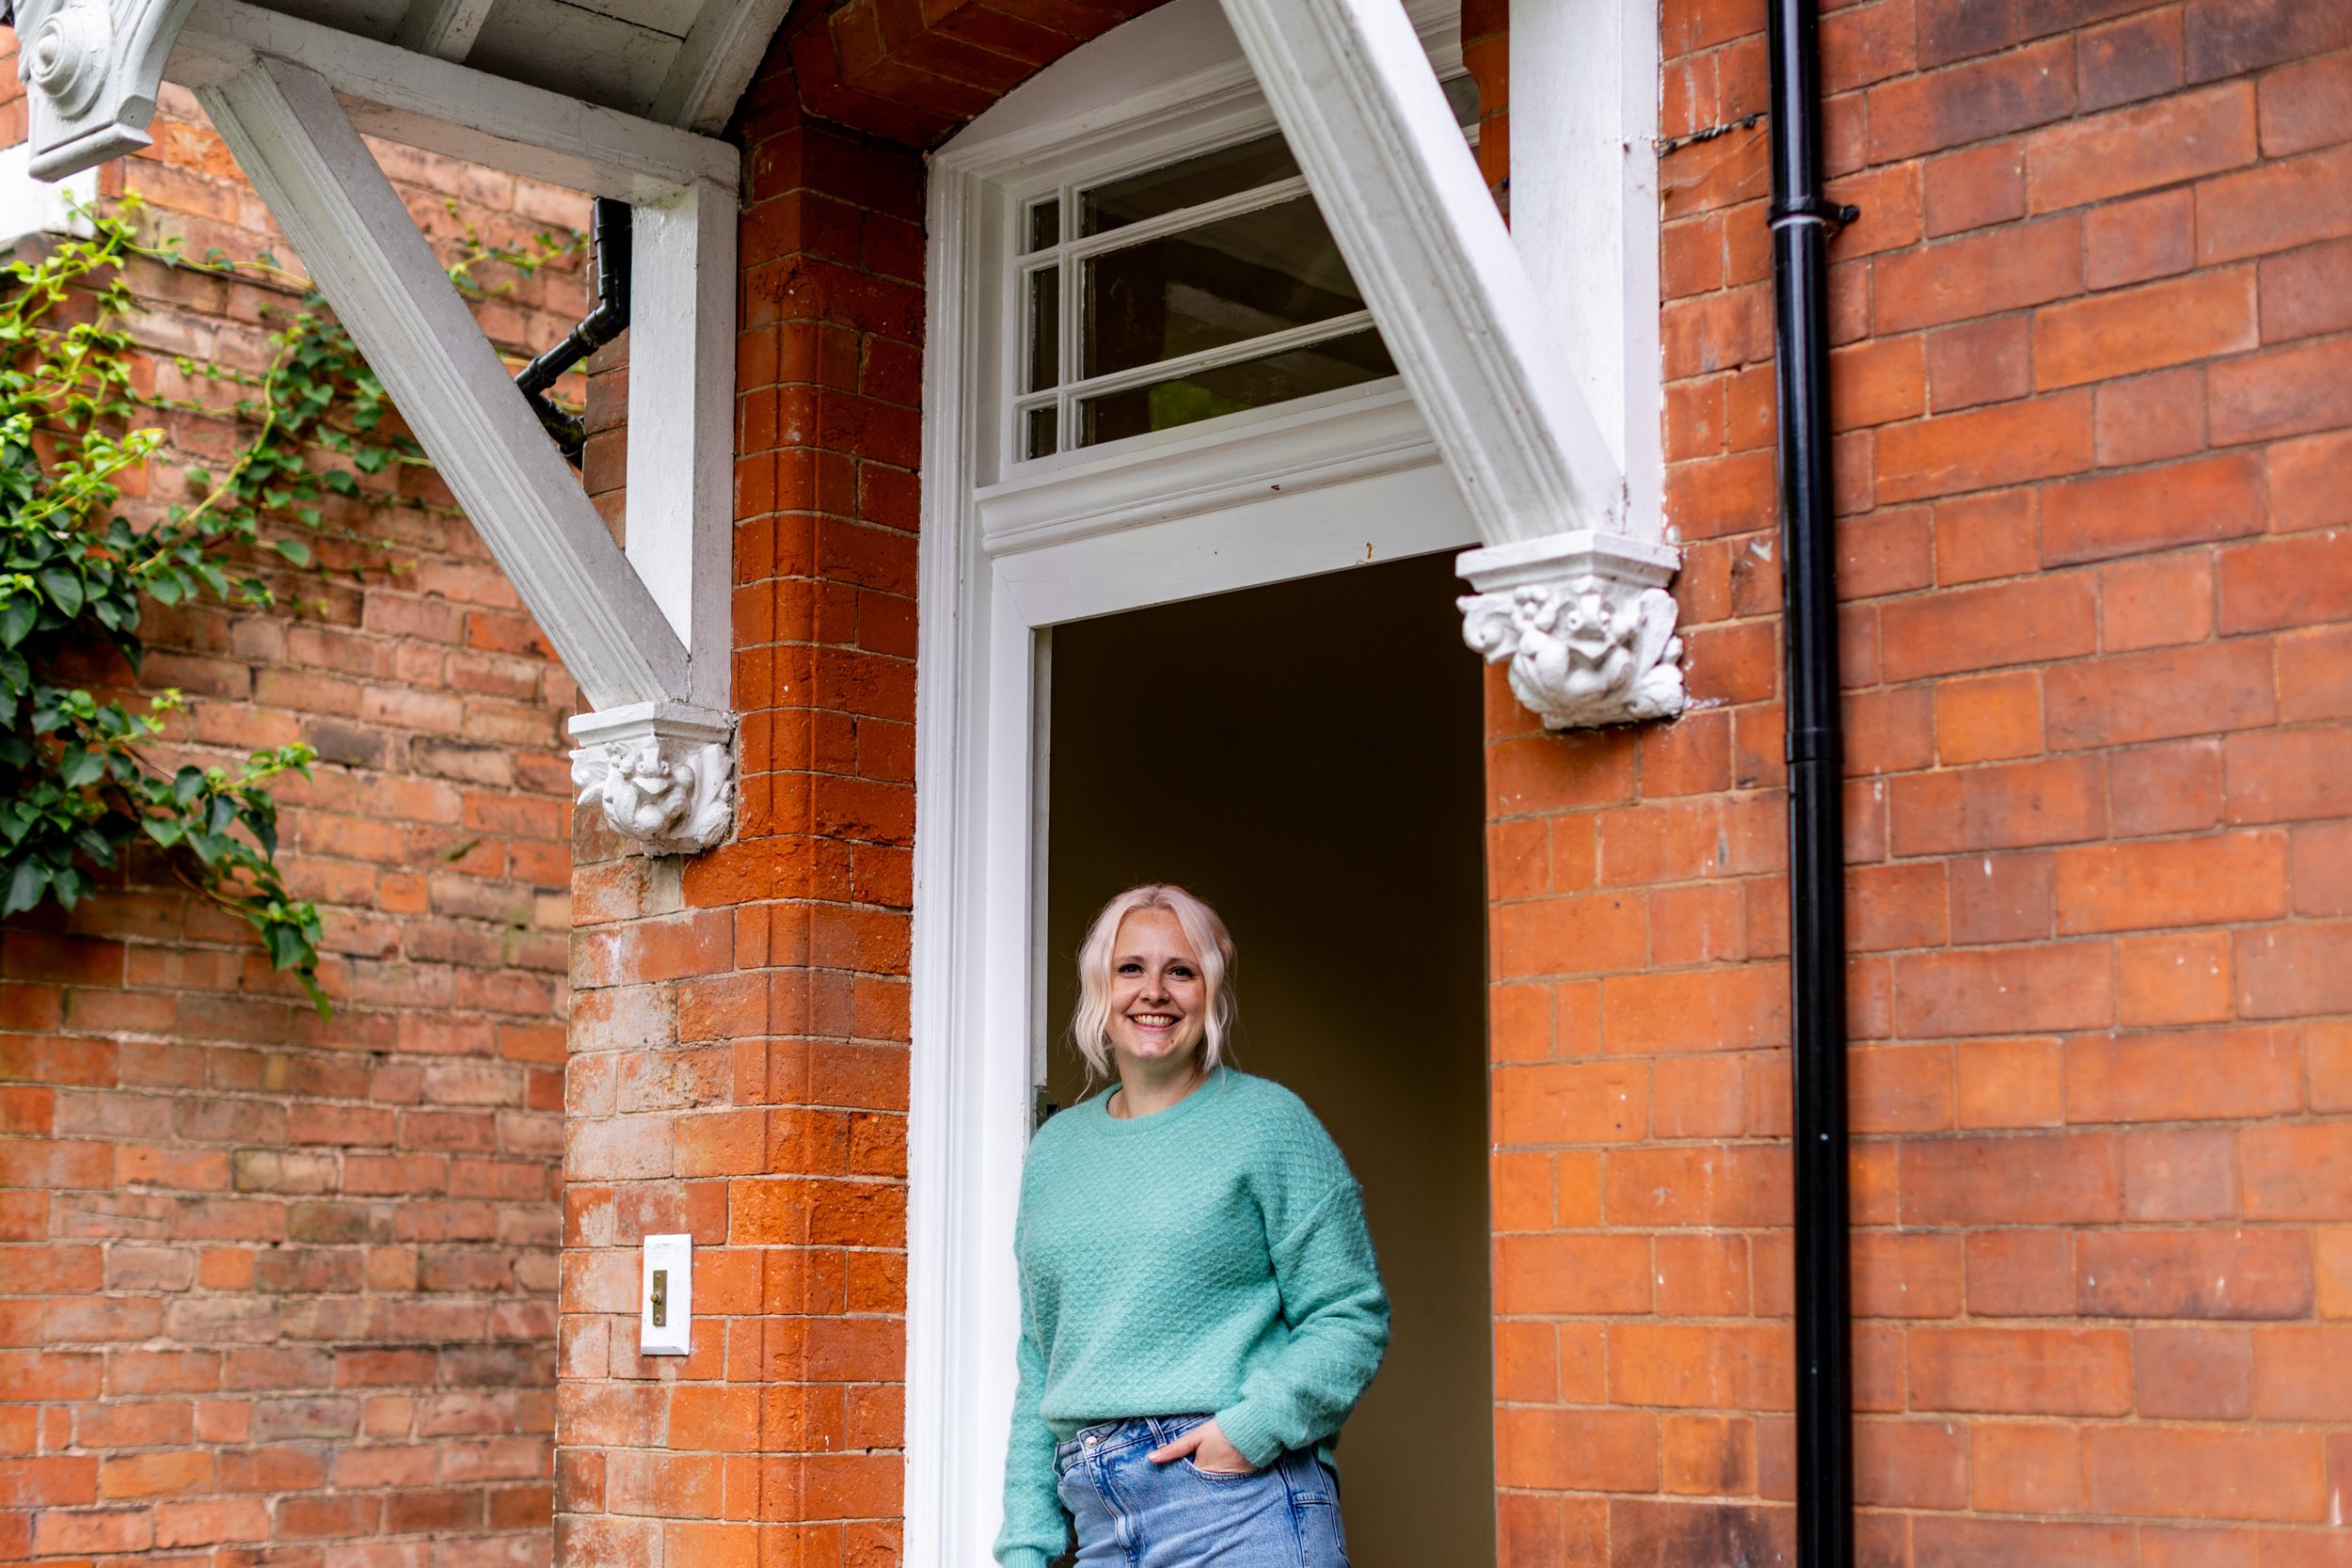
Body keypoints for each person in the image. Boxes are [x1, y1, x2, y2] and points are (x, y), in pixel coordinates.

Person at [995, 883, 1391, 1568]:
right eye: (1131, 969)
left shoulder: (1269, 1124)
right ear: (1100, 988)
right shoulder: (1056, 1151)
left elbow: (1350, 1315)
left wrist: (1249, 1430)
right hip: (1099, 1515)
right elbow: (1040, 1358)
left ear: (1211, 989)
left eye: (1180, 970)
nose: (1155, 991)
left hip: (1241, 1508)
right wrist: (1026, 1544)